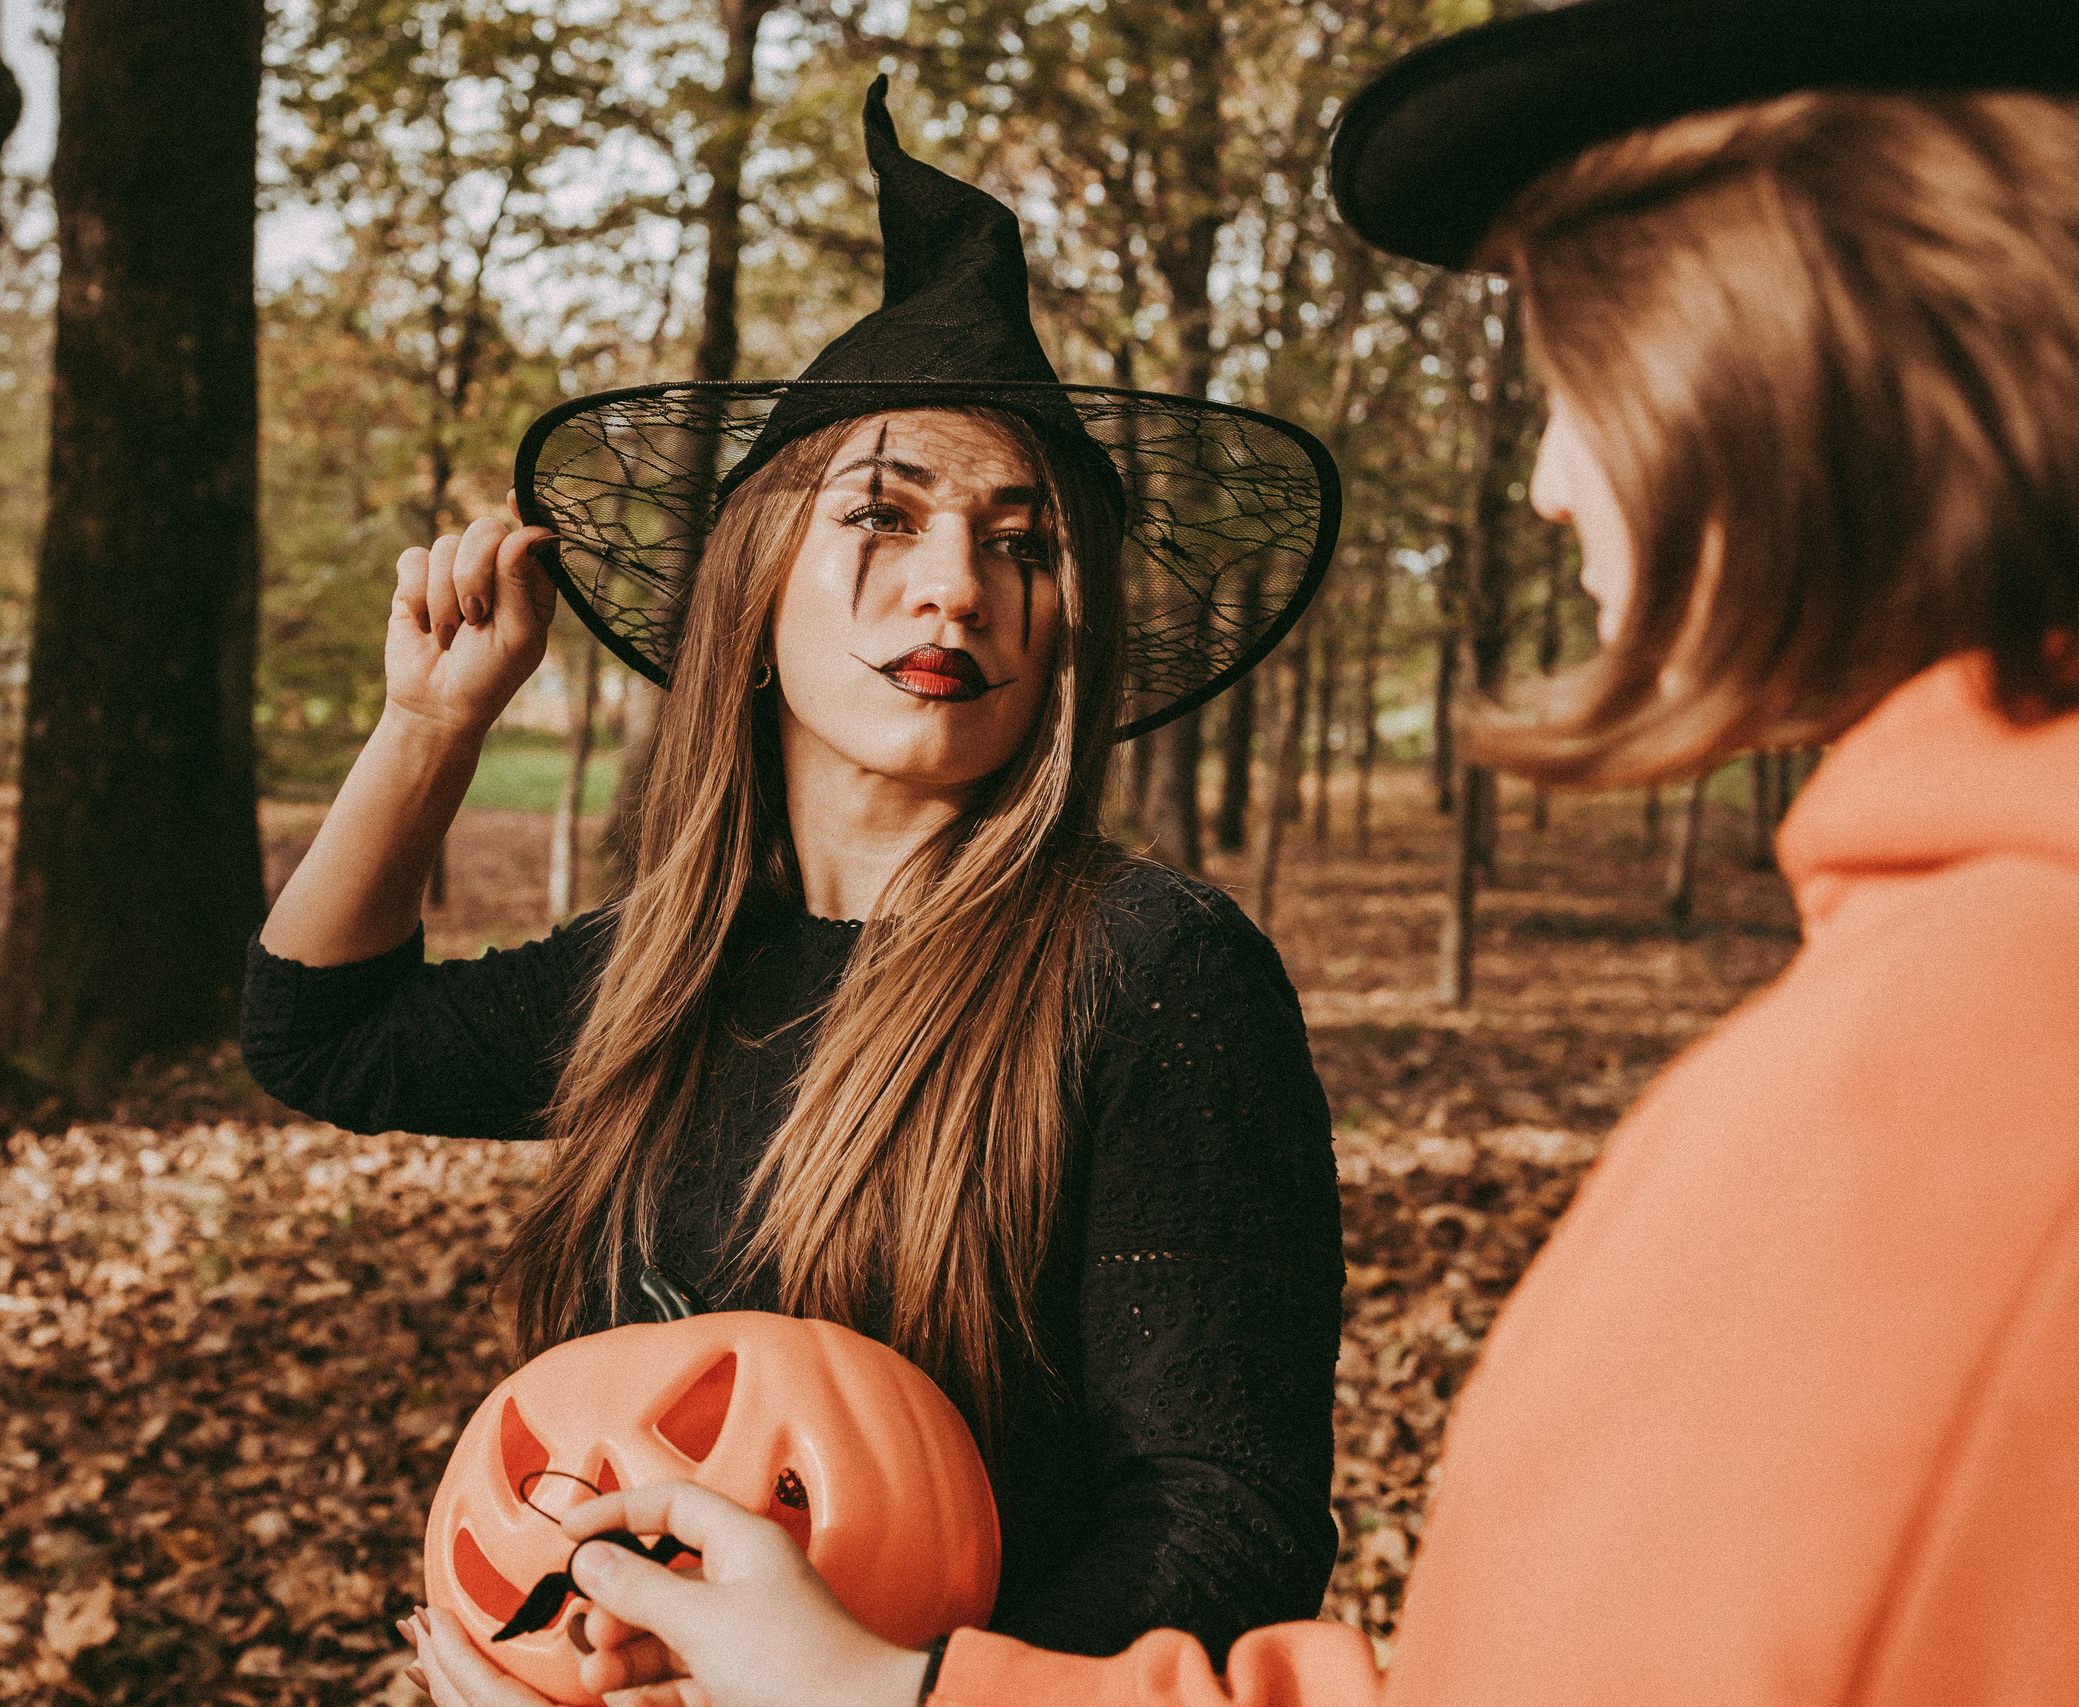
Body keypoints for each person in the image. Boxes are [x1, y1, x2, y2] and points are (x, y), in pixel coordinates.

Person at [413, 2, 2079, 1704]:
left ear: (1799, 389)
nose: (1555, 487)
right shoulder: (1909, 1019)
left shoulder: (1956, 1086)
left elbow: (1261, 1527)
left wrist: (894, 1690)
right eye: (886, 520)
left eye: (1578, 391)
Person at [242, 80, 1351, 1667]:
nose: (957, 583)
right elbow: (319, 1035)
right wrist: (428, 724)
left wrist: (872, 1697)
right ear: (758, 587)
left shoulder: (1147, 971)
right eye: (885, 520)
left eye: (1023, 544)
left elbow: (1225, 1530)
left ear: (1064, 636)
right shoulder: (678, 969)